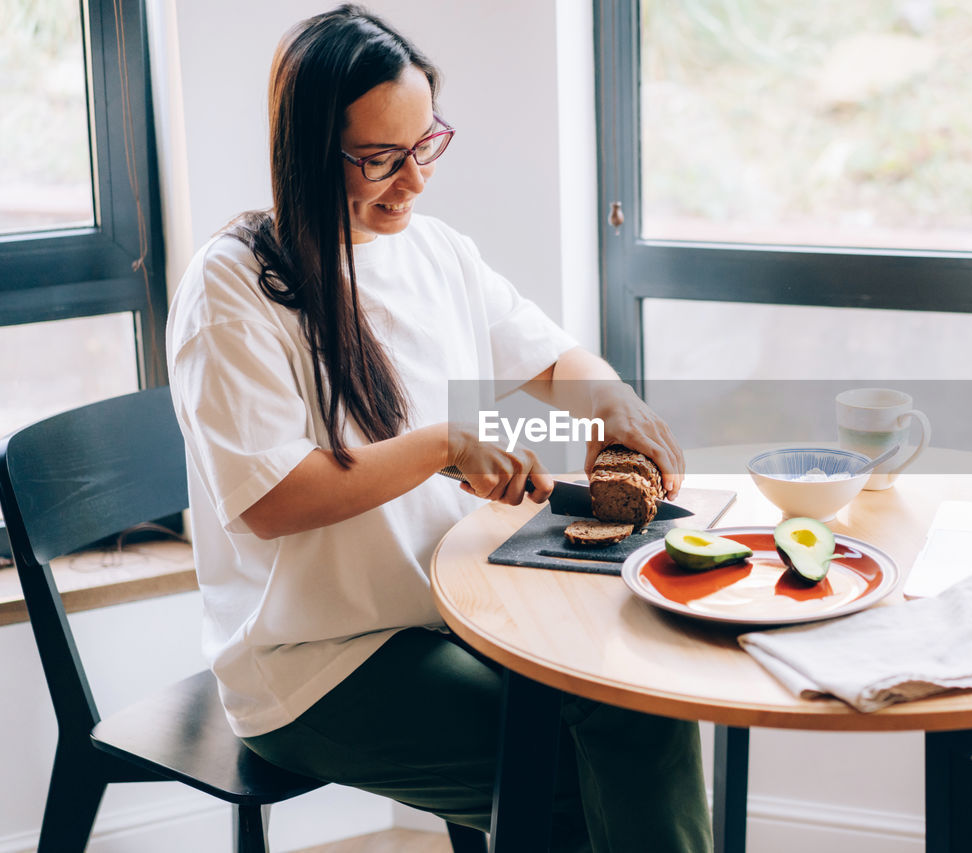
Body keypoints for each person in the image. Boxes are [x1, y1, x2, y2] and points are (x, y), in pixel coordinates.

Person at [165, 5, 711, 851]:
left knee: (643, 712)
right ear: (307, 151)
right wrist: (445, 445)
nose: (414, 181)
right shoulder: (232, 289)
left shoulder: (436, 251)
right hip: (320, 659)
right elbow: (273, 499)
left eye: (425, 146)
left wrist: (615, 404)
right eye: (382, 159)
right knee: (569, 773)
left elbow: (553, 358)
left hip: (456, 609)